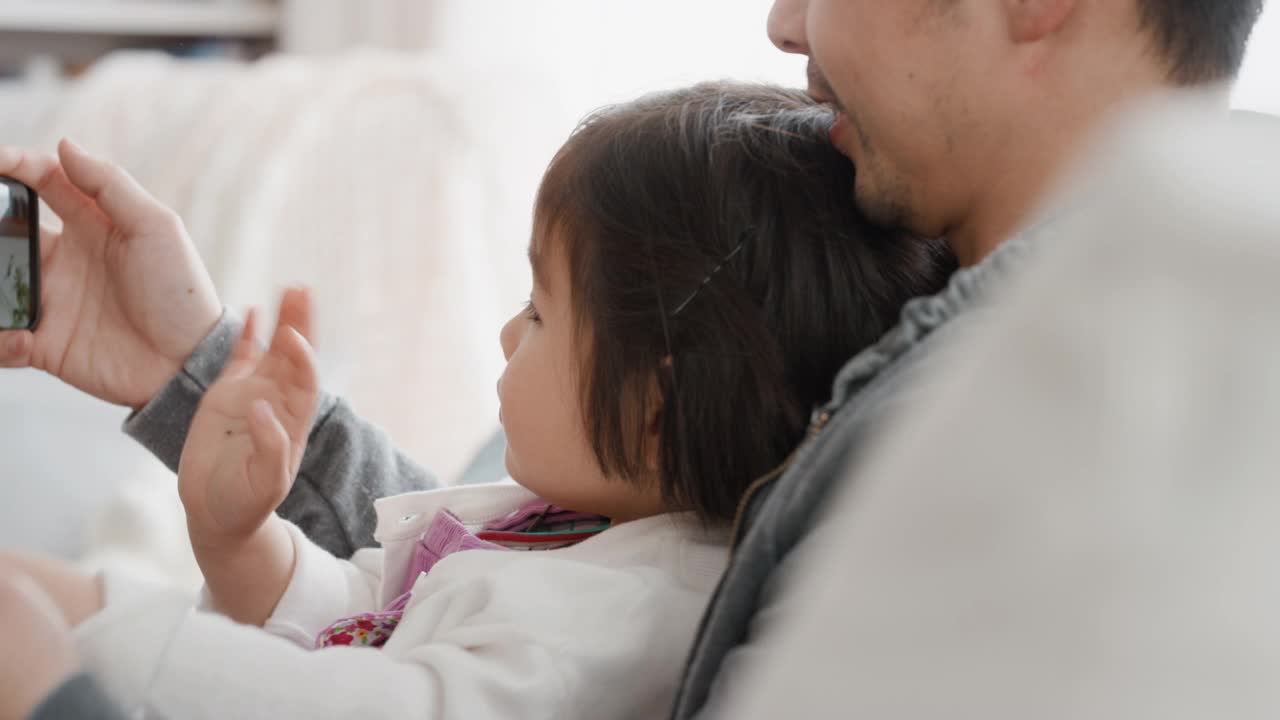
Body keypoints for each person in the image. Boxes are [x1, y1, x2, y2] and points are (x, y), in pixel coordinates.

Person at [0, 0, 1267, 715]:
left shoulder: (1066, 445)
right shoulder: (924, 288)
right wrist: (196, 367)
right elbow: (516, 566)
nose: (781, 24)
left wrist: (70, 692)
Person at [0, 83, 951, 717]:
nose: (507, 332)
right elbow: (365, 609)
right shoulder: (575, 525)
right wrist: (240, 542)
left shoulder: (632, 613)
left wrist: (91, 628)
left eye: (539, 310)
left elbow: (370, 703)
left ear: (655, 406)